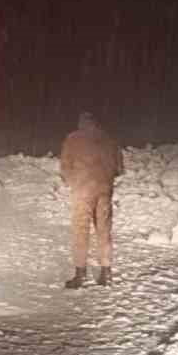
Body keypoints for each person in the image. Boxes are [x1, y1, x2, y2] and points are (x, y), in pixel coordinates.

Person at [60, 111, 123, 289]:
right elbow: (119, 168)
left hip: (82, 190)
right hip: (104, 190)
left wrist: (73, 181)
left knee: (81, 229)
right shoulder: (110, 139)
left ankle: (80, 274)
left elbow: (65, 167)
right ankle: (106, 272)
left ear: (81, 123)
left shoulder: (73, 139)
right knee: (104, 229)